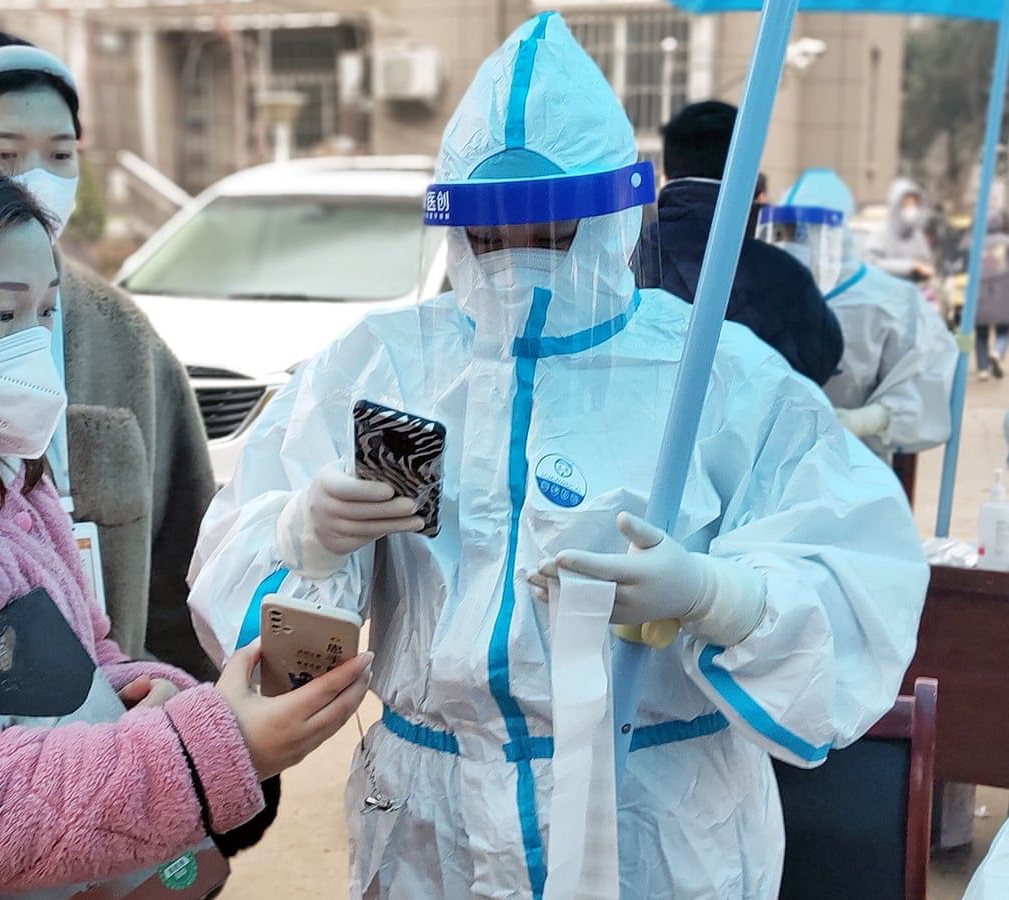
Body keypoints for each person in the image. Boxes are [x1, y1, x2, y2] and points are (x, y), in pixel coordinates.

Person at [187, 14, 928, 899]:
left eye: (550, 233)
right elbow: (268, 637)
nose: (517, 261)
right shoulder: (379, 367)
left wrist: (719, 596)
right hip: (432, 824)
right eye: (489, 237)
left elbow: (858, 580)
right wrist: (301, 542)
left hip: (651, 823)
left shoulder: (716, 375)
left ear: (611, 220)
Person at [0, 147, 370, 897]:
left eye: (46, 312)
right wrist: (205, 752)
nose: (33, 344)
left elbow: (84, 656)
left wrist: (160, 700)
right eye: (1, 314)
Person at [0, 33, 216, 682]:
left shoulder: (123, 336)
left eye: (61, 154)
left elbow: (181, 560)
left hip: (107, 708)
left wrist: (193, 708)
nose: (37, 180)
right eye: (4, 153)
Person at [634, 100, 843, 385]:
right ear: (750, 174)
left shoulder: (626, 259)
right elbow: (819, 363)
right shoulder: (786, 277)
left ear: (667, 173)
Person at [762, 168, 957, 458]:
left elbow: (927, 379)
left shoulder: (893, 300)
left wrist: (868, 420)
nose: (793, 243)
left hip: (855, 463)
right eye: (787, 231)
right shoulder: (759, 288)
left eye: (805, 231)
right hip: (766, 458)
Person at [870, 177, 936, 284]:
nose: (911, 209)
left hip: (913, 292)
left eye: (914, 204)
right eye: (906, 204)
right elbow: (872, 264)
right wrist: (909, 266)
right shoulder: (880, 235)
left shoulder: (917, 235)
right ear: (895, 206)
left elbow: (927, 266)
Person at [974, 212, 1009, 381]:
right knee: (1004, 330)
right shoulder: (1006, 242)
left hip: (980, 293)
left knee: (981, 334)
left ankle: (983, 369)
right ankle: (997, 351)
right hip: (1002, 293)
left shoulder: (976, 243)